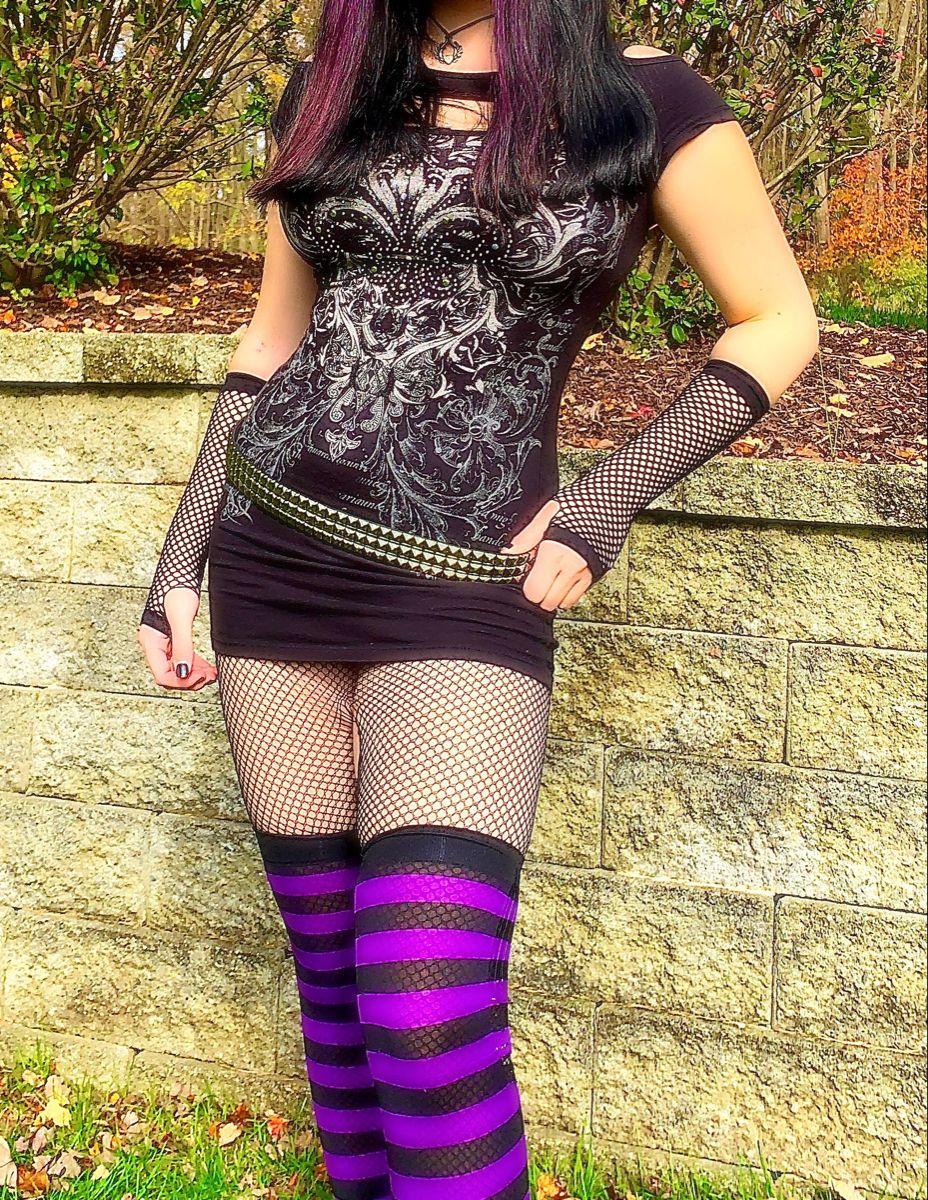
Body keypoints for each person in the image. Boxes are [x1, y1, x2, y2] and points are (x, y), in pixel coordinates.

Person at [137, 3, 819, 1198]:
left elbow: (778, 318)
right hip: (275, 554)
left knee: (423, 999)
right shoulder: (336, 85)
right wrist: (178, 560)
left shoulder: (642, 99)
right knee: (334, 976)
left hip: (467, 587)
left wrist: (607, 498)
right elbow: (269, 343)